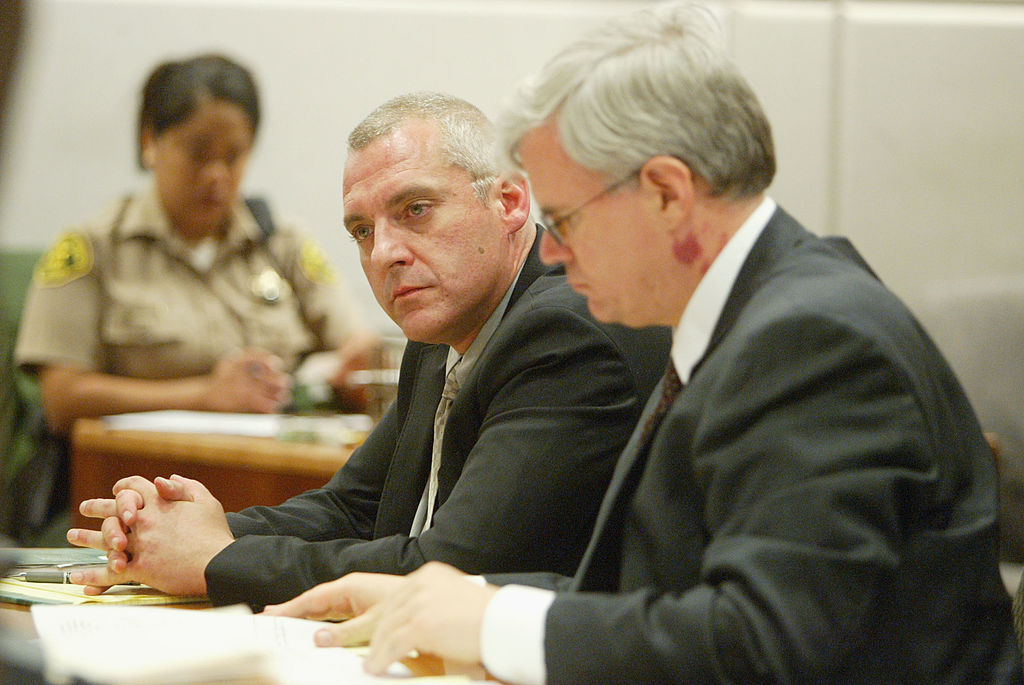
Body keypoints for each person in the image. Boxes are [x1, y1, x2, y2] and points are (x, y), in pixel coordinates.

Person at [263, 4, 1023, 683]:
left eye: (564, 220)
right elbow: (662, 595)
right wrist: (442, 597)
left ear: (665, 192)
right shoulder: (760, 315)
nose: (550, 255)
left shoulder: (812, 340)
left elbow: (765, 642)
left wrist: (494, 621)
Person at [66, 92, 671, 610]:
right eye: (362, 231)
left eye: (416, 210)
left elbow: (445, 569)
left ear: (509, 202)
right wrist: (180, 531)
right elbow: (353, 508)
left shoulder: (567, 333)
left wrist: (217, 561)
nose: (384, 253)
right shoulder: (441, 332)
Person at [15, 53, 375, 436]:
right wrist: (203, 394)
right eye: (198, 153)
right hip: (135, 475)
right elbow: (62, 398)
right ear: (150, 141)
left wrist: (354, 369)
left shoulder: (281, 242)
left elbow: (357, 346)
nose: (216, 175)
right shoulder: (95, 248)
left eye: (233, 156)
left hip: (272, 470)